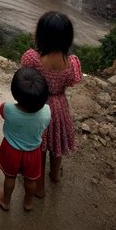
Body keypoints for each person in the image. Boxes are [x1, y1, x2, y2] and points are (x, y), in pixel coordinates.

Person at [20, 11, 82, 197]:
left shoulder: (33, 59)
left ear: (41, 35)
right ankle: (55, 175)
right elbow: (72, 81)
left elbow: (25, 77)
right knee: (56, 143)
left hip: (38, 106)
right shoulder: (71, 63)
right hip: (59, 107)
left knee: (39, 147)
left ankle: (39, 187)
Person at [0, 68, 52, 212]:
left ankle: (6, 201)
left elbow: (1, 111)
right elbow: (45, 129)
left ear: (15, 92)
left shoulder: (7, 109)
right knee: (31, 179)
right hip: (33, 152)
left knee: (10, 177)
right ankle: (28, 202)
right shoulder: (47, 112)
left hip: (11, 150)